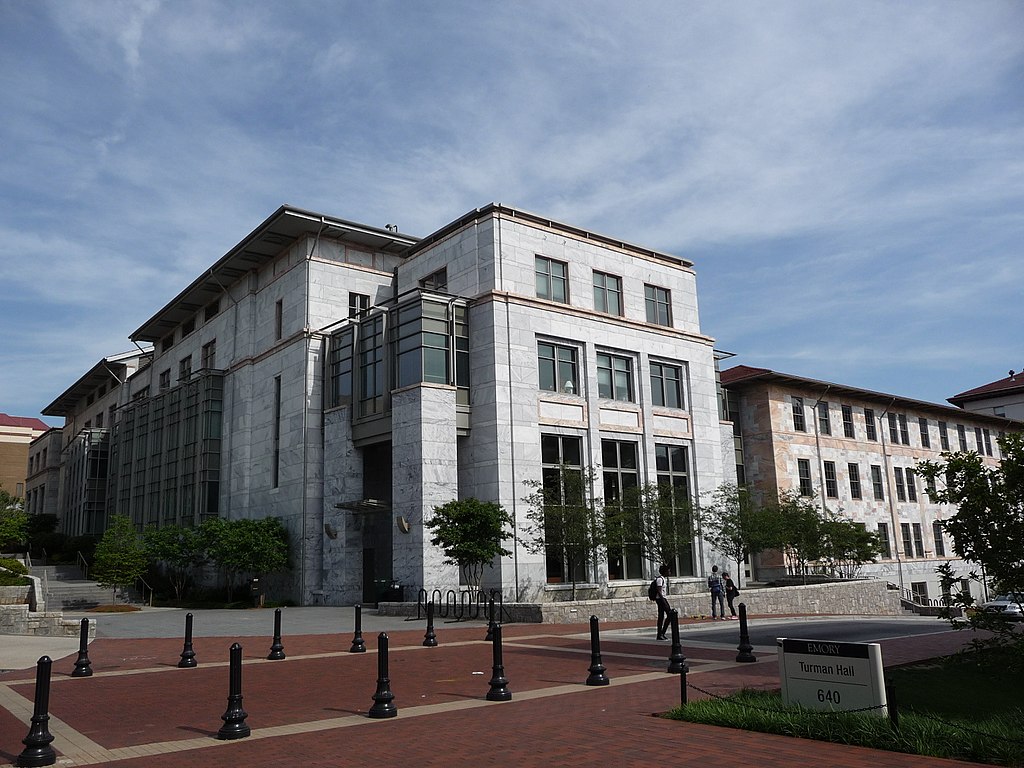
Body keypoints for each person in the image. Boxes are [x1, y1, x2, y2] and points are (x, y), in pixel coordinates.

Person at [654, 564, 672, 640]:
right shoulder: (660, 579)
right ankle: (661, 633)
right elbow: (659, 591)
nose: (670, 572)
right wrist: (663, 601)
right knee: (669, 614)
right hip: (661, 599)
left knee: (662, 616)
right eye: (668, 571)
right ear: (665, 571)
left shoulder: (663, 579)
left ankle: (661, 633)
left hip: (662, 598)